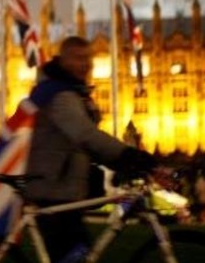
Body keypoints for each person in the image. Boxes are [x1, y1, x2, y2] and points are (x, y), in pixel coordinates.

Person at [24, 36, 155, 263]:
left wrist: (124, 163)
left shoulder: (73, 93)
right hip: (51, 192)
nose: (85, 64)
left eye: (88, 59)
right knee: (75, 257)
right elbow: (86, 135)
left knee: (80, 256)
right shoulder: (59, 95)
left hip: (65, 193)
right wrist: (128, 155)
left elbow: (88, 145)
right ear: (63, 60)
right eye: (78, 58)